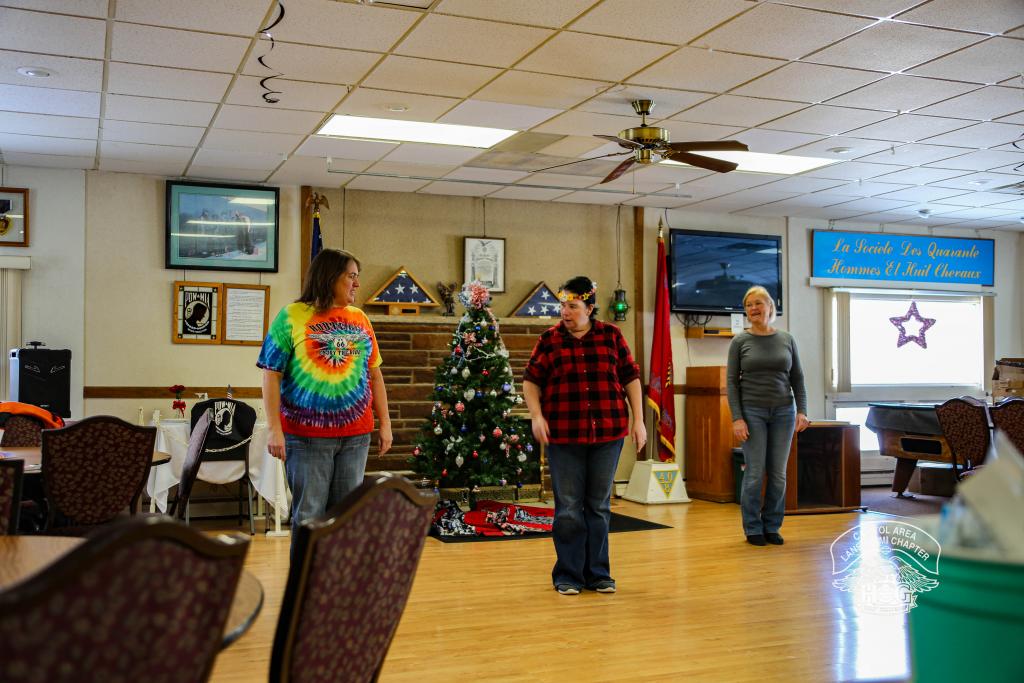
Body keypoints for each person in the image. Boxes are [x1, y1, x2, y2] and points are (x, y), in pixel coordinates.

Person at [257, 248, 392, 551]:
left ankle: (337, 577)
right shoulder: (291, 316)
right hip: (307, 438)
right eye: (351, 277)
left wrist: (385, 423)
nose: (357, 284)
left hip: (356, 437)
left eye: (357, 277)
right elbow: (270, 375)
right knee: (309, 516)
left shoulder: (360, 319)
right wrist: (274, 429)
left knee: (346, 516)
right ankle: (305, 579)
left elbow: (375, 375)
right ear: (330, 277)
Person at [523, 276, 646, 595]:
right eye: (562, 306)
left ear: (589, 308)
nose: (565, 312)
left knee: (598, 506)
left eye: (573, 306)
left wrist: (639, 421)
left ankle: (598, 574)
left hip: (608, 433)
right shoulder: (549, 340)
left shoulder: (612, 336)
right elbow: (531, 381)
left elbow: (631, 378)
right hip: (564, 436)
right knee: (568, 508)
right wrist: (536, 415)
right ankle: (568, 574)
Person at [727, 285, 809, 547]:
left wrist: (802, 411)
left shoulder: (787, 339)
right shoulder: (740, 341)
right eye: (749, 305)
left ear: (770, 307)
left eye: (758, 303)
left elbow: (797, 377)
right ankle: (753, 527)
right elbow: (732, 383)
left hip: (784, 411)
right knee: (754, 472)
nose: (753, 308)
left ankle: (772, 525)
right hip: (752, 412)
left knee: (778, 474)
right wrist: (737, 418)